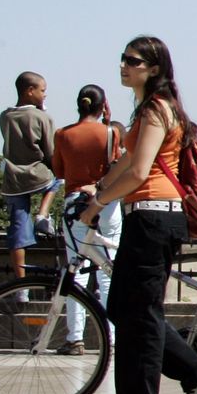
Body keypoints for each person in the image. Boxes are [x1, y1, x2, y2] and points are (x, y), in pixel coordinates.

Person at [78, 39, 197, 394]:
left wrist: (97, 203)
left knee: (138, 312)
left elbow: (140, 171)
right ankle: (193, 370)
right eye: (122, 59)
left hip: (154, 215)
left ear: (154, 69)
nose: (124, 66)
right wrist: (100, 184)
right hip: (149, 215)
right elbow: (128, 160)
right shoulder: (147, 109)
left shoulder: (157, 109)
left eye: (133, 61)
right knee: (126, 309)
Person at [51, 85, 122, 354]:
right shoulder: (110, 132)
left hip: (76, 202)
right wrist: (107, 123)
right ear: (103, 106)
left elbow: (58, 169)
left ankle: (74, 338)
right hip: (105, 201)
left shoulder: (63, 134)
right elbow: (115, 162)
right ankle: (112, 338)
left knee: (75, 271)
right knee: (109, 272)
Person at [0, 72, 58, 279]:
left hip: (12, 179)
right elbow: (50, 151)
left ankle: (20, 284)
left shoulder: (5, 116)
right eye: (42, 91)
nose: (44, 95)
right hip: (37, 174)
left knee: (18, 229)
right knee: (57, 179)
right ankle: (42, 215)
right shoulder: (41, 117)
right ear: (30, 91)